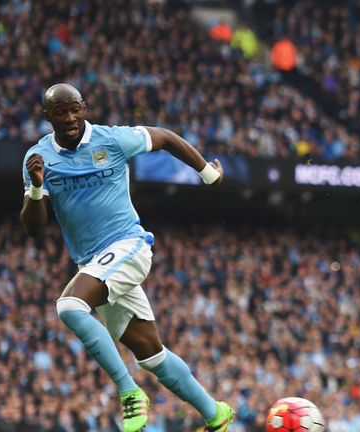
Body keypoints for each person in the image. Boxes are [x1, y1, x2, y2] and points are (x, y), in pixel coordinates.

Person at [20, 83, 235, 432]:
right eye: (61, 112)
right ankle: (216, 414)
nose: (71, 117)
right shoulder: (39, 159)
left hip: (128, 246)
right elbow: (33, 228)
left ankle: (129, 392)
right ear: (48, 117)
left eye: (76, 108)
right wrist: (36, 186)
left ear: (84, 107)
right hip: (94, 265)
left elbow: (164, 137)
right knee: (152, 355)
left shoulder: (112, 140)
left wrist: (207, 173)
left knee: (69, 306)